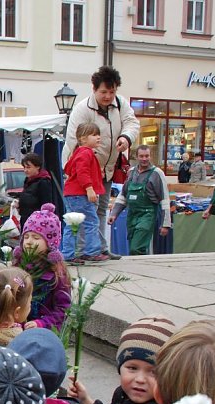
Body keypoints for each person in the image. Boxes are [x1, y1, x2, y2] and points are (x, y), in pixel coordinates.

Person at [63, 65, 140, 260]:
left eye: (112, 91)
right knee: (82, 215)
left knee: (99, 211)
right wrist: (78, 174)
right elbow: (74, 140)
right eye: (103, 92)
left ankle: (98, 248)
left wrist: (126, 138)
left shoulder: (120, 104)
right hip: (85, 171)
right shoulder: (82, 109)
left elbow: (132, 123)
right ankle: (81, 251)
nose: (108, 96)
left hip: (106, 168)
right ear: (94, 89)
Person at [12, 203, 72, 331]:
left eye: (36, 237)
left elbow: (63, 309)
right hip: (16, 330)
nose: (29, 242)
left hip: (44, 331)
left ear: (50, 242)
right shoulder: (18, 266)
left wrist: (43, 323)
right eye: (26, 237)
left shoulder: (56, 273)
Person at [108, 145, 172, 256]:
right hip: (132, 214)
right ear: (136, 157)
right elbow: (123, 195)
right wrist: (114, 214)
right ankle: (137, 270)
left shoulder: (157, 173)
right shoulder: (131, 172)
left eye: (147, 156)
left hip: (147, 215)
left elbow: (165, 199)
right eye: (141, 156)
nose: (144, 159)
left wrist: (165, 223)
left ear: (150, 156)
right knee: (134, 245)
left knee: (136, 248)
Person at [61, 122, 108, 264]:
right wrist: (89, 188)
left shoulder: (77, 153)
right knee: (91, 222)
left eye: (98, 134)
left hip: (71, 194)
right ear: (82, 138)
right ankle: (92, 251)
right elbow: (82, 172)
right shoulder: (86, 153)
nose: (98, 137)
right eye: (94, 135)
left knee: (72, 224)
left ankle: (68, 253)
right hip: (80, 194)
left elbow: (69, 170)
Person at [16, 152, 63, 227]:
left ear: (37, 167)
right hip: (25, 218)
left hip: (37, 221)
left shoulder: (43, 182)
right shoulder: (28, 180)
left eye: (28, 167)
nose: (25, 170)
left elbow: (46, 203)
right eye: (24, 167)